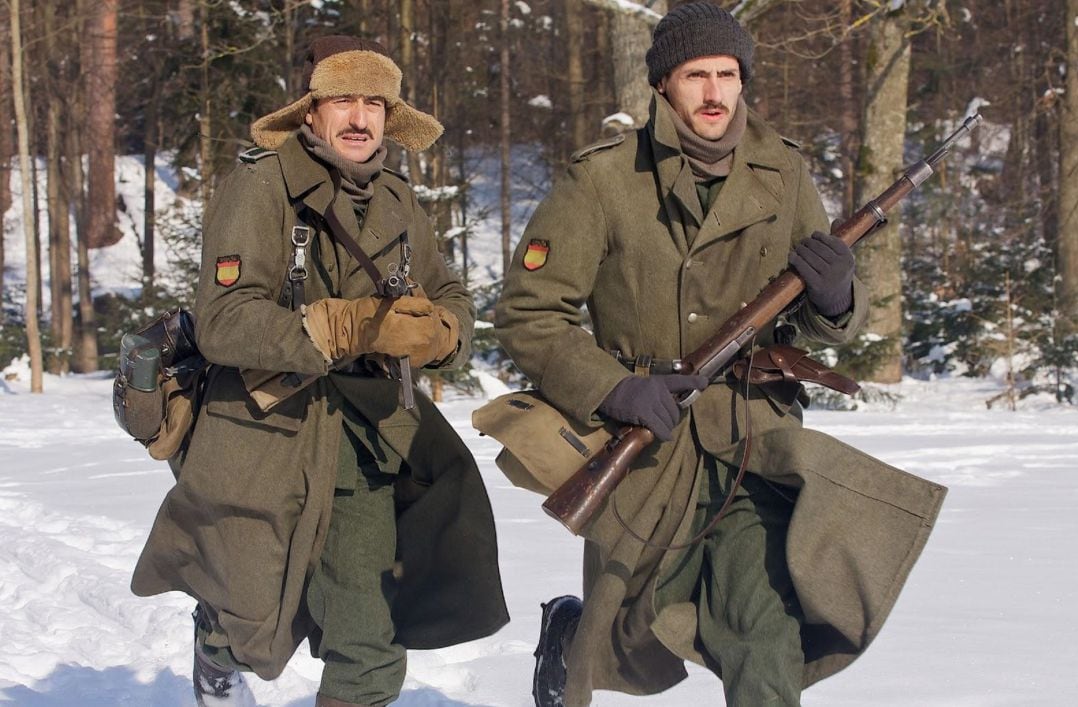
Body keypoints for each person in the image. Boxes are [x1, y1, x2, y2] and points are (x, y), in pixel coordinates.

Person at [495, 3, 945, 706]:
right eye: (696, 74)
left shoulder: (784, 174)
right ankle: (570, 633)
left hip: (752, 440)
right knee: (629, 638)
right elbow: (526, 313)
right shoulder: (604, 180)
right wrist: (613, 388)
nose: (713, 93)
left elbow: (823, 325)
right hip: (645, 443)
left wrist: (834, 298)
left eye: (727, 75)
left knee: (762, 633)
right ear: (663, 84)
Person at [132, 36, 508, 707]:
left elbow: (452, 293)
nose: (360, 117)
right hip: (263, 437)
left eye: (374, 101)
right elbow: (223, 320)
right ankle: (215, 647)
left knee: (369, 642)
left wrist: (443, 332)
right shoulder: (260, 187)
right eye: (344, 100)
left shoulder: (397, 199)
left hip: (365, 445)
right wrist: (349, 324)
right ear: (312, 112)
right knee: (250, 613)